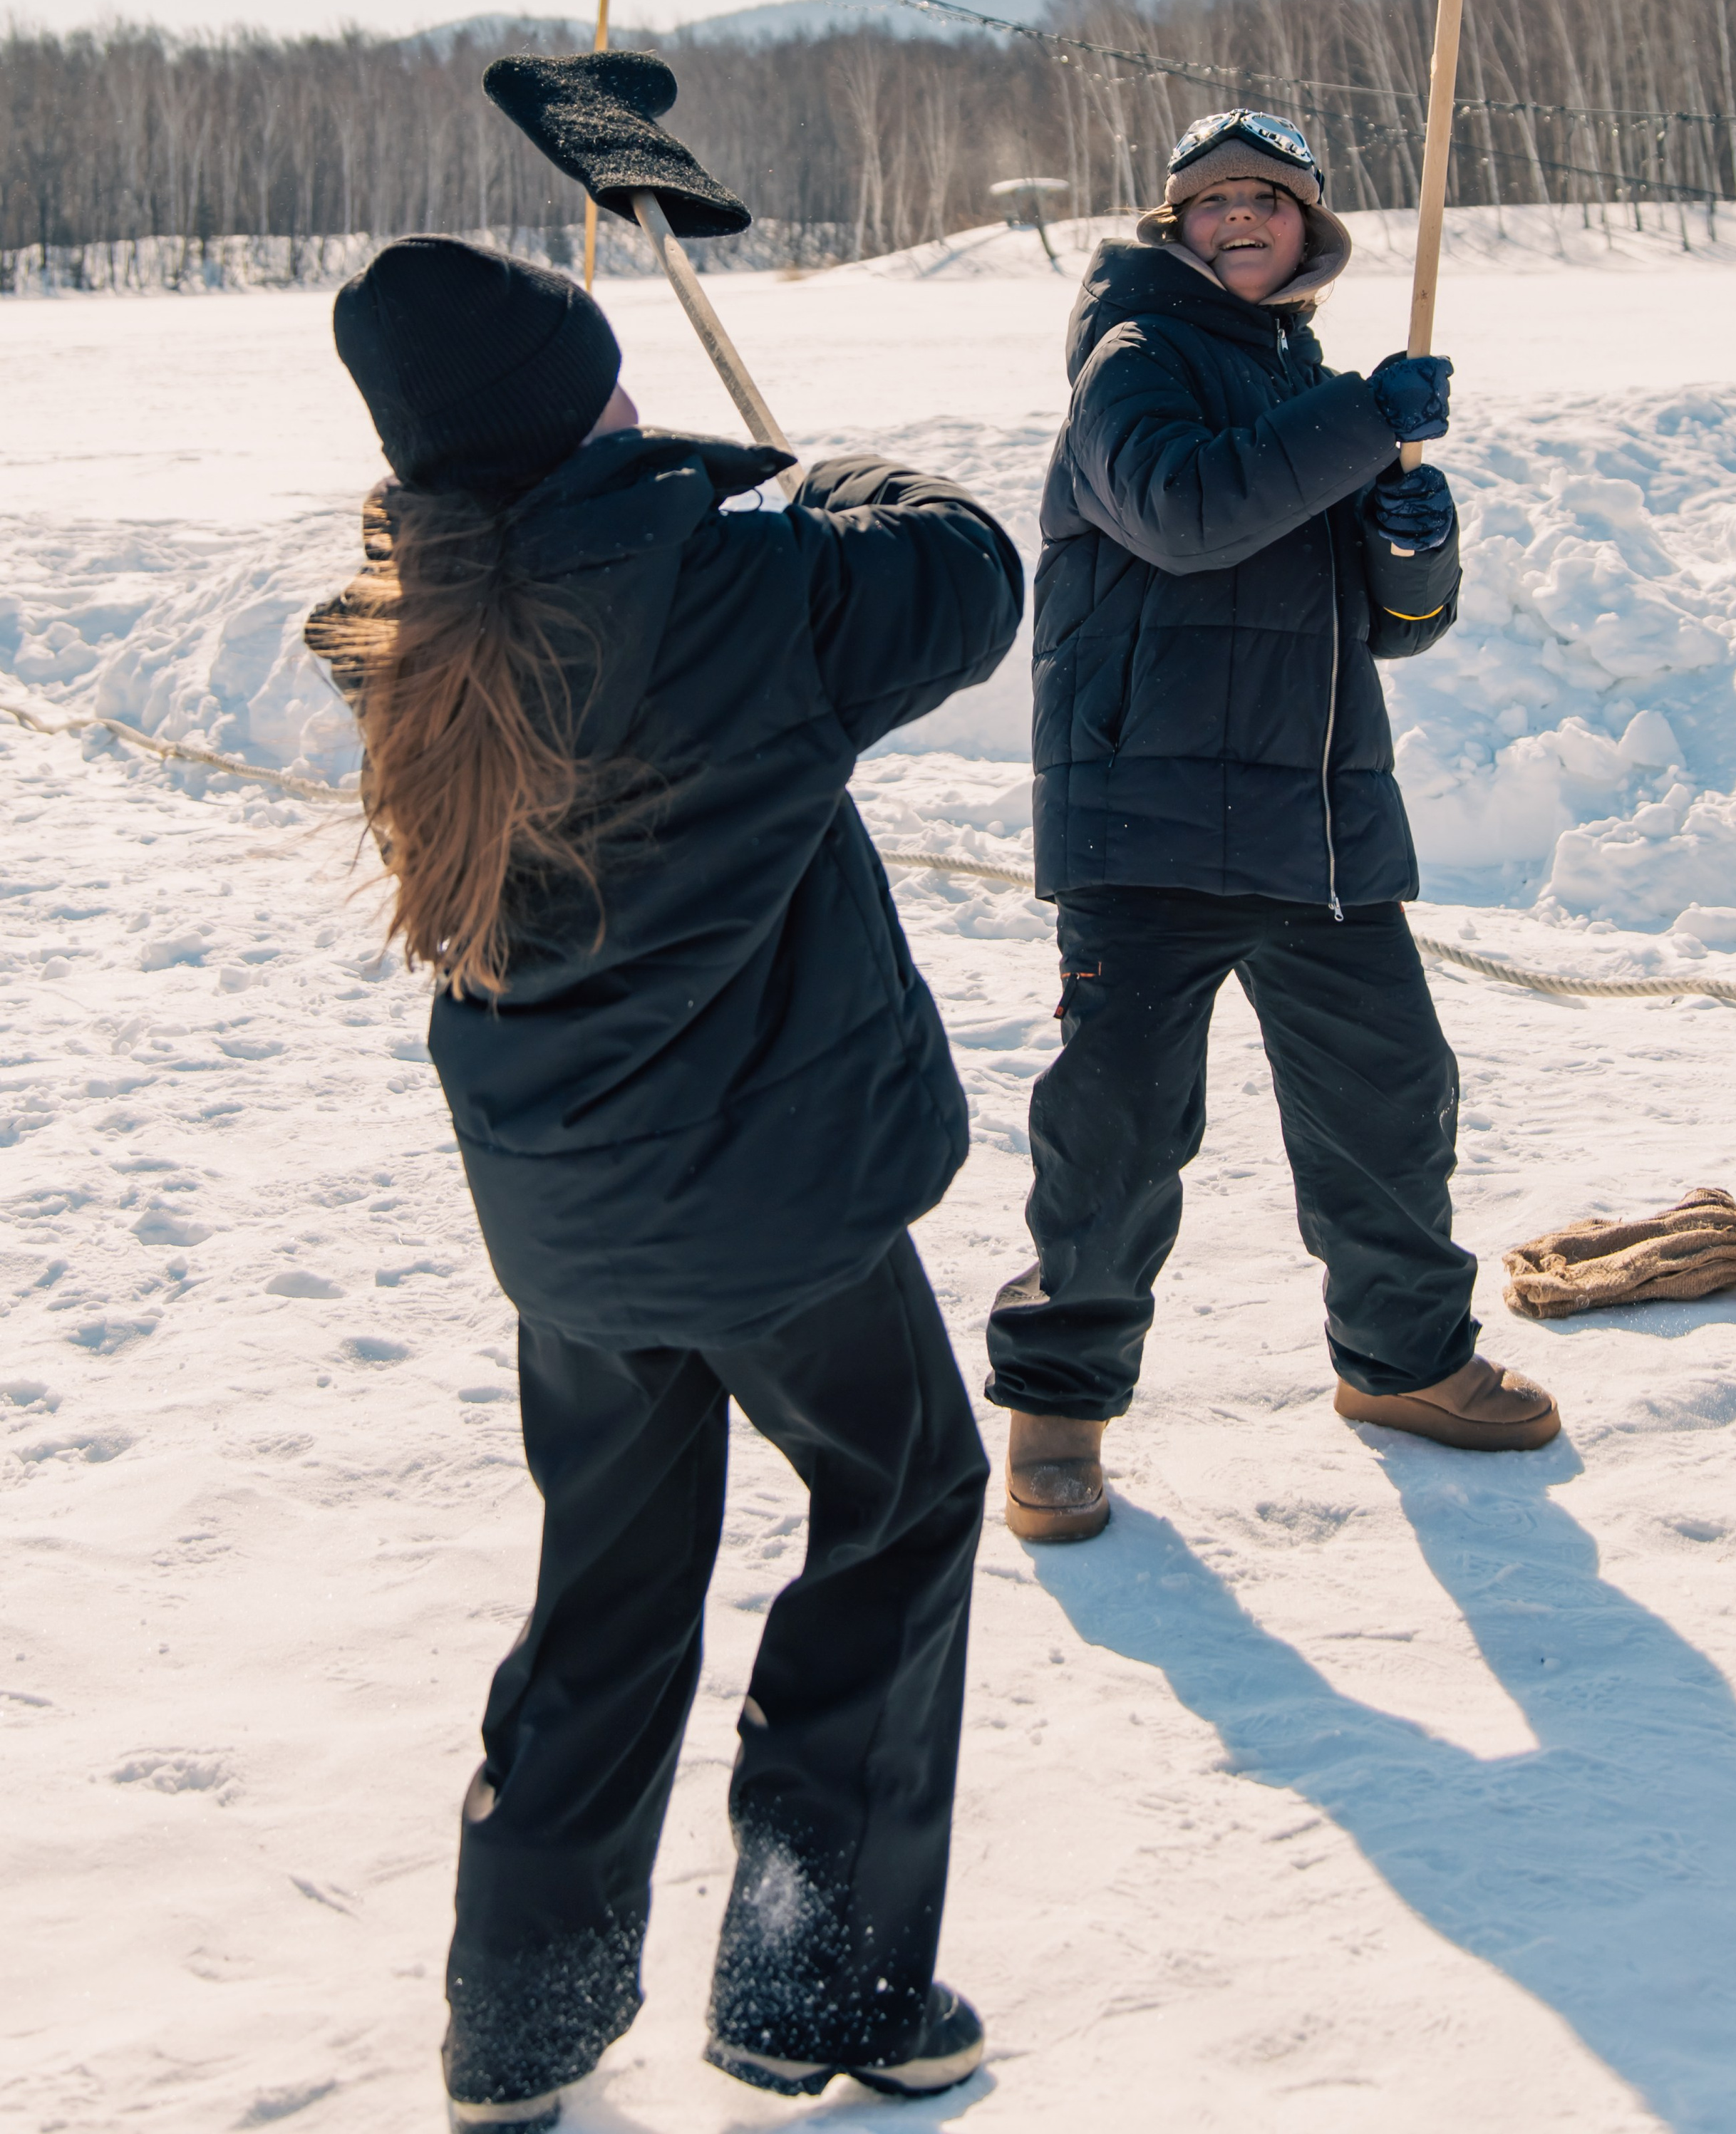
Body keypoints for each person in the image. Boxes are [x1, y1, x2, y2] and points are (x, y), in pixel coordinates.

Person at [304, 237, 1023, 2127]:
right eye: (608, 382)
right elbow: (967, 579)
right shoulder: (739, 590)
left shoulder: (412, 619)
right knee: (901, 1505)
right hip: (770, 1199)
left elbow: (588, 545)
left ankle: (517, 2027)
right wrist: (836, 480)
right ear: (579, 413)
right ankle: (819, 1981)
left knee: (610, 1586)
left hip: (572, 1217)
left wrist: (688, 487)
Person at [985, 113, 1560, 1545]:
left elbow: (1391, 629)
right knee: (1116, 1133)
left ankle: (1402, 1362)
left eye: (1268, 202)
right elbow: (1184, 514)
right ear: (1173, 225)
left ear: (1309, 229)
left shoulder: (1301, 377)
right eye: (1211, 201)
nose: (1240, 220)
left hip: (1315, 817)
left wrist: (1412, 542)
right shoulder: (1131, 358)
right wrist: (1363, 420)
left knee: (1387, 1105)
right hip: (1153, 818)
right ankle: (1058, 1413)